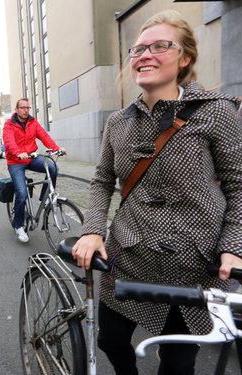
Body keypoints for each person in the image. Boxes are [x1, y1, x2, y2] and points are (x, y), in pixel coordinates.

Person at [71, 10, 242, 375]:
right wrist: (92, 230)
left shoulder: (217, 113)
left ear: (185, 58)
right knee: (110, 342)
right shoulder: (118, 122)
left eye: (161, 46)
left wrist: (233, 247)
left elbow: (239, 184)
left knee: (179, 365)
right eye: (138, 49)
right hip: (129, 257)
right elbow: (102, 180)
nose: (145, 54)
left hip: (193, 265)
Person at [3, 98, 65, 243]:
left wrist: (56, 149)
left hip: (31, 158)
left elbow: (44, 136)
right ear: (16, 109)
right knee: (22, 192)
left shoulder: (33, 122)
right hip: (16, 161)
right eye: (23, 108)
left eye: (28, 108)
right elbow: (9, 142)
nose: (26, 110)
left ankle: (45, 197)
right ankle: (18, 225)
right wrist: (18, 152)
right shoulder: (9, 125)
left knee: (53, 167)